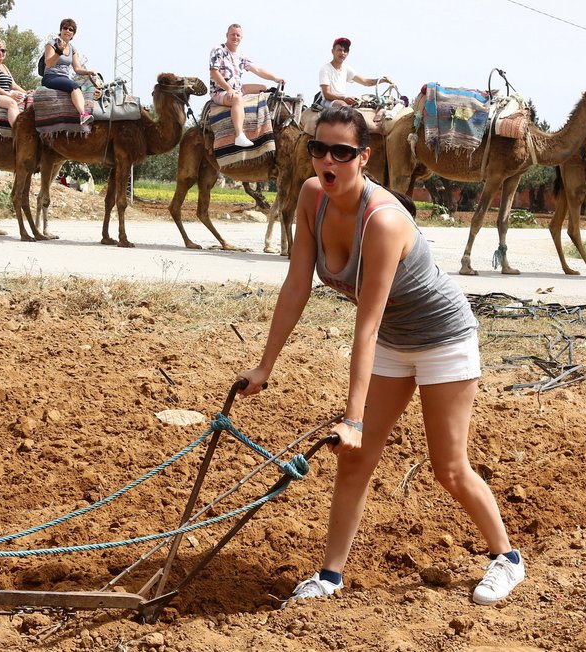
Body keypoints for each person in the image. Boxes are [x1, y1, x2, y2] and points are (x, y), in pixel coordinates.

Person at [237, 104, 525, 608]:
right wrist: (266, 365)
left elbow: (363, 326)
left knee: (448, 467)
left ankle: (507, 559)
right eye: (318, 148)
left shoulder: (385, 221)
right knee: (355, 463)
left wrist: (353, 417)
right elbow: (296, 285)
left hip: (442, 339)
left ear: (363, 157)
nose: (328, 160)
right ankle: (330, 575)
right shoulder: (311, 198)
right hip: (395, 339)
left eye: (341, 152)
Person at [209, 23, 285, 148]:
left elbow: (258, 70)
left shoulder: (240, 56)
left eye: (238, 35)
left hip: (239, 88)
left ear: (241, 38)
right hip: (220, 91)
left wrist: (275, 78)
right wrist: (228, 88)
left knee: (264, 88)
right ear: (227, 35)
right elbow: (214, 71)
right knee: (237, 99)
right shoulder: (218, 50)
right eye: (233, 34)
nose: (235, 37)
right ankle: (239, 135)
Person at [41, 18, 101, 125]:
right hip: (51, 77)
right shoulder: (52, 44)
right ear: (61, 30)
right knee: (74, 86)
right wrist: (58, 51)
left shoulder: (72, 49)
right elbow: (49, 63)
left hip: (64, 78)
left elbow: (77, 69)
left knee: (88, 86)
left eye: (71, 29)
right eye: (65, 28)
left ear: (73, 34)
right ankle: (83, 115)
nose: (67, 30)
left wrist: (89, 72)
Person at [317, 37, 390, 108]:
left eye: (345, 51)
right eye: (339, 50)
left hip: (342, 100)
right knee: (343, 106)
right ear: (332, 51)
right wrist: (344, 99)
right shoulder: (325, 69)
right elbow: (326, 94)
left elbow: (365, 82)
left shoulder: (346, 68)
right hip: (328, 101)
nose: (342, 53)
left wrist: (382, 80)